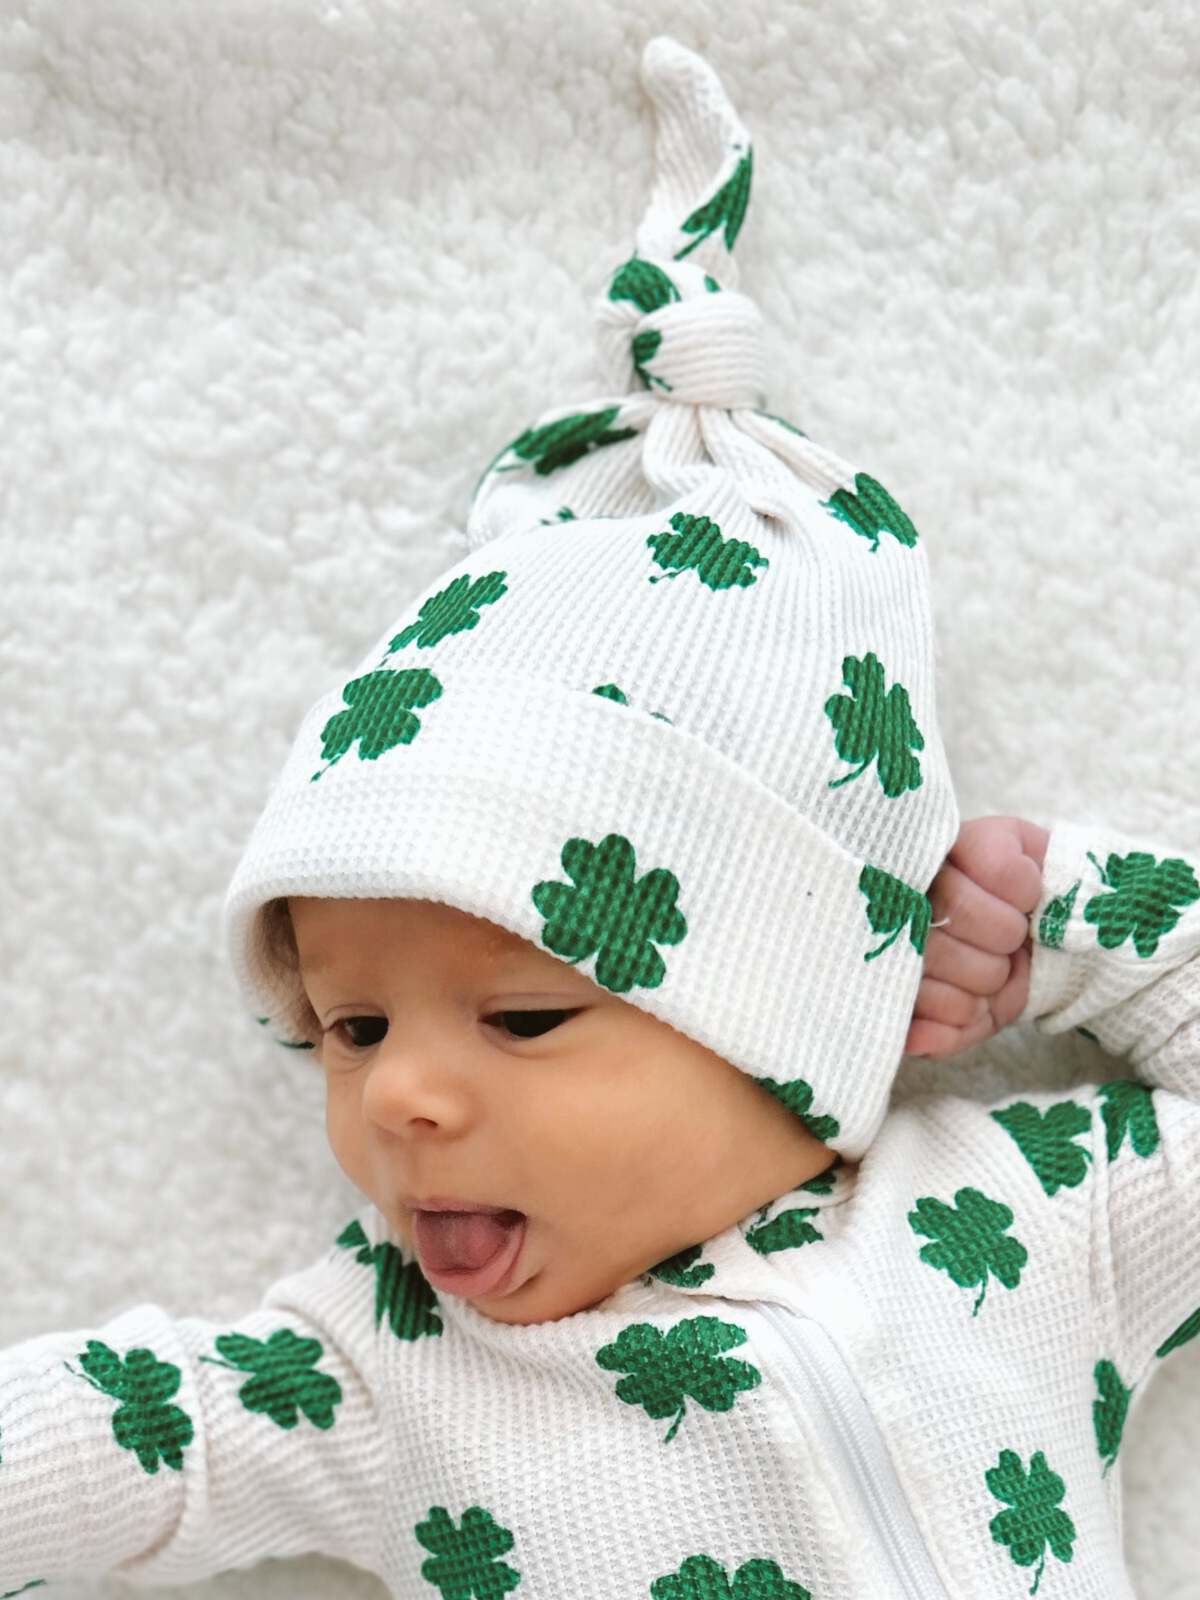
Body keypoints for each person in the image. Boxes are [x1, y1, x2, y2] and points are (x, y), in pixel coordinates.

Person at [2, 34, 1196, 1600]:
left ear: (785, 1009)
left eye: (520, 1014)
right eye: (350, 1030)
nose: (401, 1102)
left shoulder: (1023, 1228)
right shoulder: (386, 1371)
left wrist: (1085, 932)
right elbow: (135, 1440)